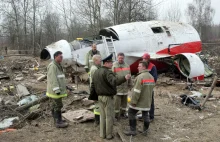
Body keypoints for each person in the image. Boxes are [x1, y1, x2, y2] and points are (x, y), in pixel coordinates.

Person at [91, 54, 131, 140]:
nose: (112, 64)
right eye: (110, 63)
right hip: (107, 98)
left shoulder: (97, 71)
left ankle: (102, 134)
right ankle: (108, 135)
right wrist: (124, 78)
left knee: (102, 116)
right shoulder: (107, 72)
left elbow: (93, 85)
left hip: (100, 97)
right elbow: (114, 81)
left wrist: (93, 97)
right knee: (109, 117)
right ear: (106, 63)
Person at [124, 61, 155, 136]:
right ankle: (145, 131)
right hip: (147, 101)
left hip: (139, 101)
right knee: (145, 114)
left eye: (139, 66)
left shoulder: (140, 77)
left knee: (131, 112)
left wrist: (133, 101)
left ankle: (133, 130)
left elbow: (137, 91)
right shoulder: (151, 77)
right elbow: (151, 89)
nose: (138, 67)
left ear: (144, 67)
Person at [46, 51, 68, 128]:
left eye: (62, 56)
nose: (62, 58)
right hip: (55, 91)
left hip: (57, 90)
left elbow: (60, 78)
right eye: (60, 57)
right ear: (55, 57)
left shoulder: (58, 65)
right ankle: (58, 122)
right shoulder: (53, 66)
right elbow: (53, 79)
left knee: (55, 105)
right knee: (58, 105)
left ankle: (57, 120)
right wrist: (57, 90)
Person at [112, 52, 131, 119]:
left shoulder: (127, 66)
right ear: (117, 58)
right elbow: (111, 77)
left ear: (124, 58)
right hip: (117, 88)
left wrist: (130, 85)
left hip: (125, 88)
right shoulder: (113, 65)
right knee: (116, 103)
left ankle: (123, 113)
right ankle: (116, 115)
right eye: (119, 58)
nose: (121, 59)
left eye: (122, 58)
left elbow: (129, 76)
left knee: (124, 103)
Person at [142, 53, 158, 121]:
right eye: (143, 58)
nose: (144, 60)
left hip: (149, 87)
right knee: (143, 101)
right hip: (142, 87)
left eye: (145, 59)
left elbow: (154, 79)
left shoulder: (152, 67)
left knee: (150, 102)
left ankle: (151, 116)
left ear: (148, 59)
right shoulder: (142, 66)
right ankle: (144, 115)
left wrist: (146, 84)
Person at [88, 54, 102, 126]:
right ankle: (97, 121)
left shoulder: (96, 68)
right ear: (96, 61)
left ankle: (98, 120)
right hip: (96, 90)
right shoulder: (94, 69)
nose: (101, 62)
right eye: (100, 60)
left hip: (97, 90)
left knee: (98, 105)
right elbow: (94, 82)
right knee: (97, 106)